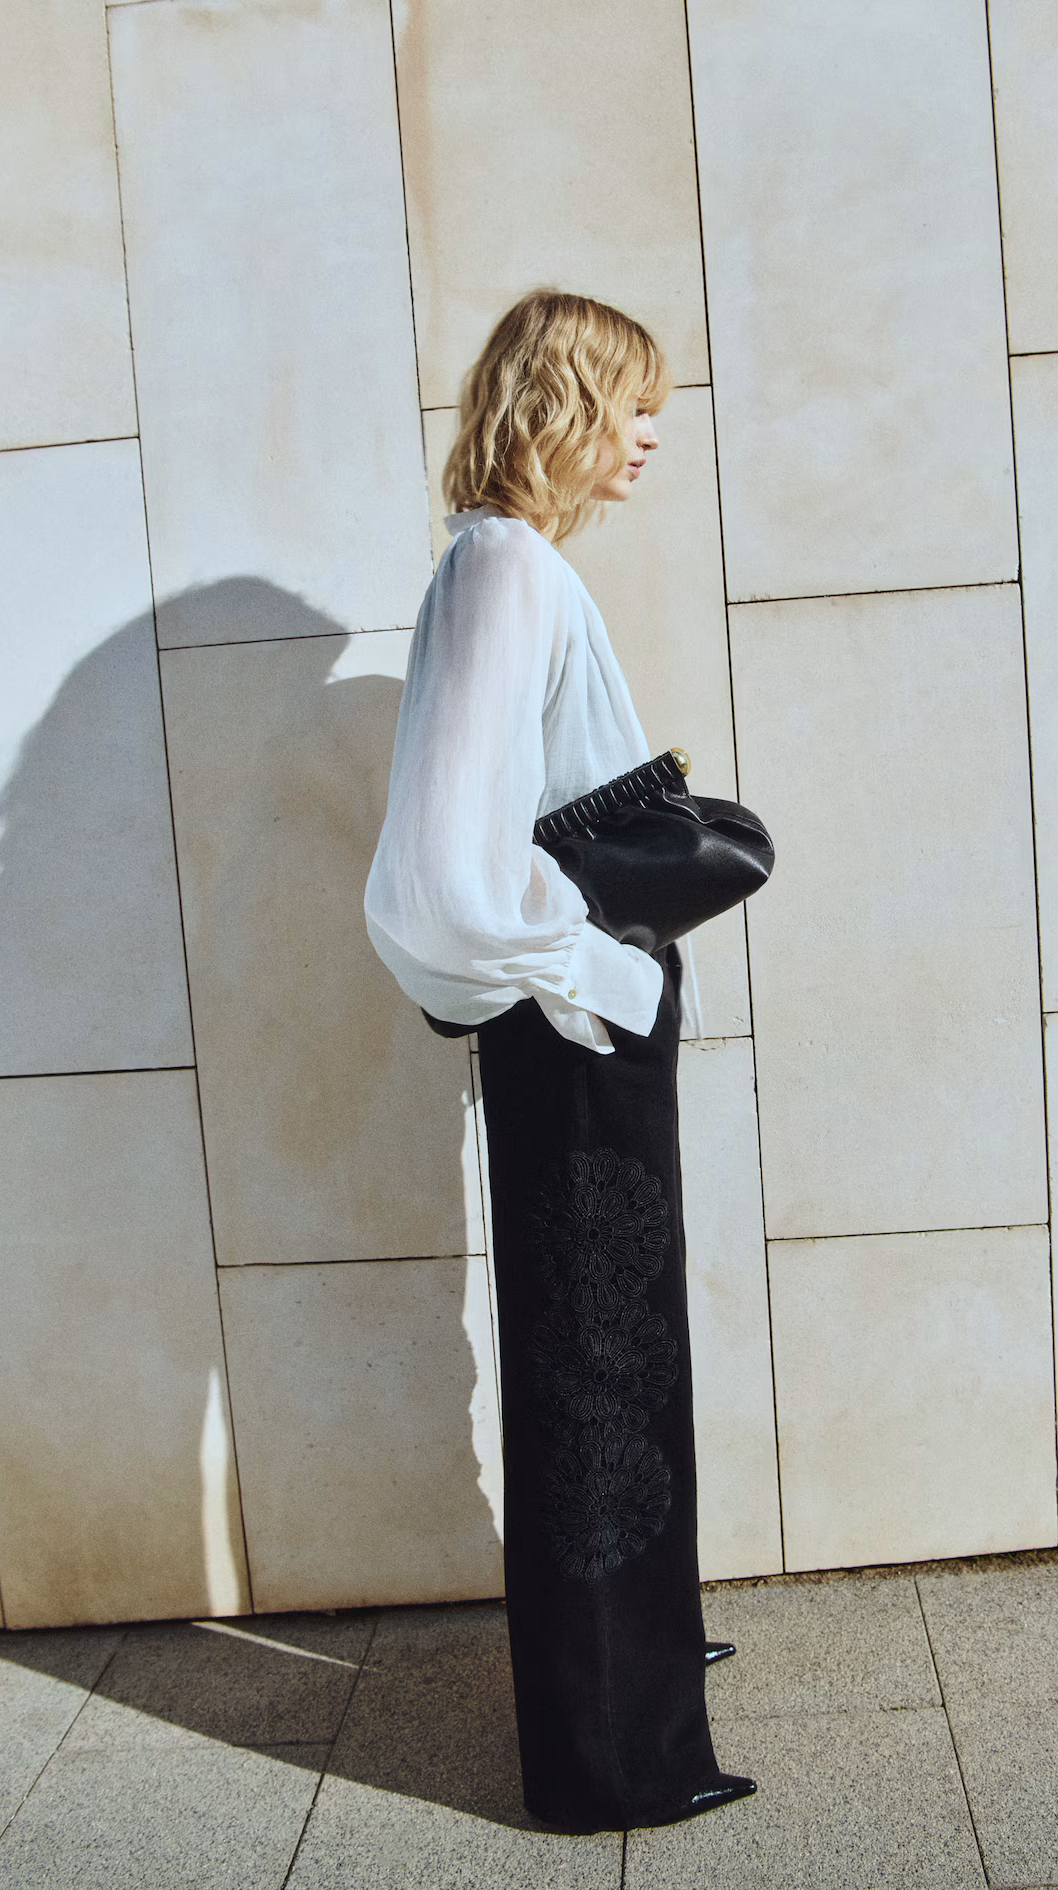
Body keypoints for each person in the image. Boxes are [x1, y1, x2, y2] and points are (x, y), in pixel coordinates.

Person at [364, 288, 755, 1833]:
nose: (652, 432)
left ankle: (633, 1650)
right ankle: (613, 1750)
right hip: (572, 1026)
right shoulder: (504, 568)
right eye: (632, 402)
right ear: (566, 401)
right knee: (596, 1364)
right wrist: (599, 971)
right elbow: (437, 871)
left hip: (577, 1021)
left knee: (614, 1350)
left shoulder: (505, 562)